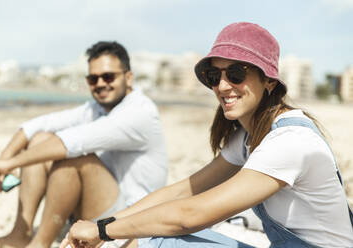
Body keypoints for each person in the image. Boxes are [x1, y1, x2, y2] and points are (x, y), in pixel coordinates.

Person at [60, 22, 353, 248]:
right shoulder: (249, 137)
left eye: (236, 74)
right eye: (216, 76)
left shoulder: (289, 142)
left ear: (269, 81)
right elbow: (182, 190)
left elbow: (190, 214)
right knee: (150, 238)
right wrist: (104, 225)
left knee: (160, 241)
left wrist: (101, 232)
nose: (223, 86)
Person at [0, 41, 168, 248]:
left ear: (128, 77)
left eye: (108, 76)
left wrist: (10, 164)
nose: (100, 83)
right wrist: (3, 158)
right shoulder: (96, 109)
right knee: (41, 139)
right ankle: (20, 235)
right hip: (99, 208)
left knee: (76, 157)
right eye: (92, 78)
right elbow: (37, 125)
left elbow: (72, 143)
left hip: (130, 223)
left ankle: (40, 243)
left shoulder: (140, 113)